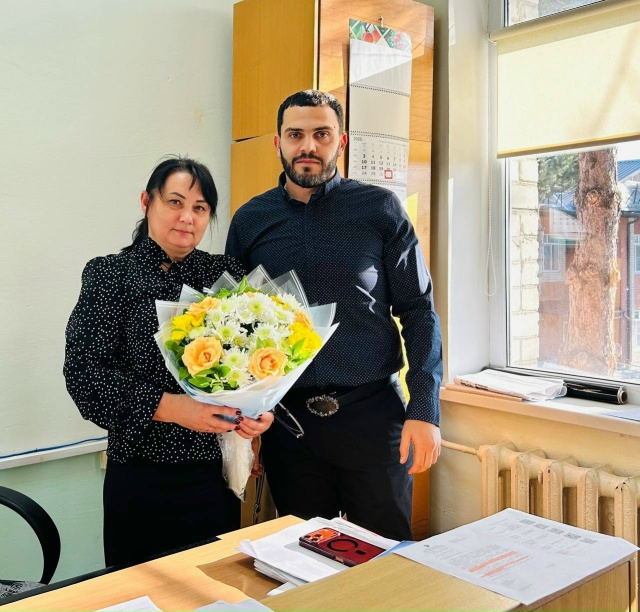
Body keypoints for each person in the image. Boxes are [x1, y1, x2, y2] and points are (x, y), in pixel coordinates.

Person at [225, 90, 443, 541]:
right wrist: (248, 424)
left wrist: (424, 409)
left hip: (372, 417)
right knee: (303, 558)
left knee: (385, 557)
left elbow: (419, 310)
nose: (308, 146)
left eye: (321, 134)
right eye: (295, 135)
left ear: (340, 142)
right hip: (290, 427)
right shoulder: (250, 220)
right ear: (278, 143)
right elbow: (236, 328)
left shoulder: (380, 209)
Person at [64, 156, 274, 567]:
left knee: (214, 587)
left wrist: (259, 413)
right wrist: (173, 407)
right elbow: (84, 375)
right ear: (147, 202)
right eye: (174, 202)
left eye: (200, 208)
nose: (187, 217)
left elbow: (258, 363)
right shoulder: (111, 275)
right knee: (138, 589)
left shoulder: (225, 276)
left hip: (213, 474)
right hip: (140, 474)